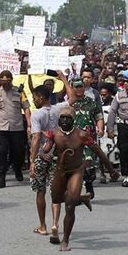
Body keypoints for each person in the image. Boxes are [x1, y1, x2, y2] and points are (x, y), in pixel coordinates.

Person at [28, 71, 73, 239]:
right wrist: (63, 79)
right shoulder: (58, 109)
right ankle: (55, 223)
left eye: (34, 97)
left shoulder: (37, 114)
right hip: (57, 156)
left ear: (40, 97)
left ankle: (43, 225)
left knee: (40, 191)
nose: (33, 100)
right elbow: (72, 97)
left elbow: (36, 137)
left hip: (42, 156)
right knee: (56, 191)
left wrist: (33, 160)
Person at [49, 106, 94, 251]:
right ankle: (82, 199)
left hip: (76, 170)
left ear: (73, 120)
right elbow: (46, 148)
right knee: (56, 198)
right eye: (62, 118)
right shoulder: (54, 133)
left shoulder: (81, 134)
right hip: (60, 170)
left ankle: (65, 241)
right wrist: (43, 151)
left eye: (68, 118)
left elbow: (97, 150)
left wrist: (111, 169)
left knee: (69, 206)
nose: (65, 120)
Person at [0, 70, 31, 189]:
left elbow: (26, 108)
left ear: (11, 80)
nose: (5, 83)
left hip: (17, 128)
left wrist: (30, 125)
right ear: (0, 81)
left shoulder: (19, 92)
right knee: (1, 153)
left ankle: (17, 169)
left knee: (18, 153)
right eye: (3, 81)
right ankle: (1, 178)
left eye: (7, 81)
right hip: (1, 129)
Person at [107, 70, 128, 187]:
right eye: (124, 81)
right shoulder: (119, 95)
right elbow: (112, 111)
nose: (125, 83)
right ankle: (126, 176)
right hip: (124, 126)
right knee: (125, 151)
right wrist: (110, 128)